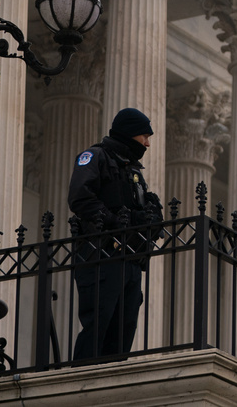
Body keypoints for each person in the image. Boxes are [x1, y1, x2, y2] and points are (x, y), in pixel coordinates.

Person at [68, 107, 164, 362]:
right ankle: (80, 382)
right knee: (97, 325)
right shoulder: (94, 156)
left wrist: (149, 218)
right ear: (129, 133)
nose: (147, 143)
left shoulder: (134, 173)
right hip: (102, 255)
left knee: (124, 332)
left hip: (131, 261)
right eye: (144, 136)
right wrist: (114, 221)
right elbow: (80, 198)